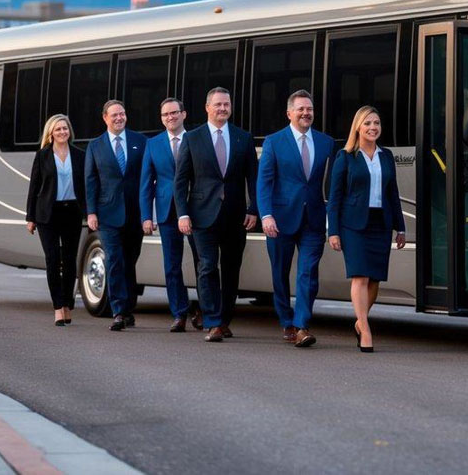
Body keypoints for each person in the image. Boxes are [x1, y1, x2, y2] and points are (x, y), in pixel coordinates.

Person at [174, 87, 258, 342]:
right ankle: (212, 321)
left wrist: (254, 209)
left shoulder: (243, 137)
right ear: (207, 108)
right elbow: (181, 180)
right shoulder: (192, 138)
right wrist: (182, 214)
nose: (223, 108)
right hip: (201, 215)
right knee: (207, 266)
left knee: (232, 270)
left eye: (227, 104)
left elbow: (253, 178)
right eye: (218, 104)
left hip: (235, 216)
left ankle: (225, 319)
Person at [257, 90, 336, 348]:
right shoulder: (274, 141)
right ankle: (286, 320)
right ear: (289, 113)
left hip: (313, 219)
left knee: (308, 272)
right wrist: (266, 215)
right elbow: (264, 182)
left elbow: (331, 185)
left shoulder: (326, 143)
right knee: (280, 274)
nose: (306, 113)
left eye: (309, 109)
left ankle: (302, 325)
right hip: (279, 219)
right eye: (300, 109)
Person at [327, 106, 406, 352]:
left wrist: (400, 227)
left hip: (380, 224)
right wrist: (333, 231)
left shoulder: (386, 156)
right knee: (360, 276)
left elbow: (393, 193)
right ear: (358, 127)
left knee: (374, 279)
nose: (373, 128)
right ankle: (365, 328)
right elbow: (335, 196)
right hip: (353, 225)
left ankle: (360, 321)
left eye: (377, 123)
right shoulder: (346, 156)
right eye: (368, 123)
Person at [140, 97, 202, 332]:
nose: (170, 117)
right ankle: (179, 313)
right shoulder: (153, 144)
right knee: (172, 265)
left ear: (184, 114)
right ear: (162, 118)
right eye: (166, 114)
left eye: (174, 113)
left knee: (202, 263)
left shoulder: (197, 139)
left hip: (196, 208)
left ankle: (205, 310)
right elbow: (146, 183)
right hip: (167, 211)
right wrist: (147, 216)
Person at [85, 100, 146, 331]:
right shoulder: (95, 146)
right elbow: (90, 181)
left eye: (122, 113)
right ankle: (118, 310)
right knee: (114, 259)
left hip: (135, 213)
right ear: (105, 118)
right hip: (108, 213)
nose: (119, 118)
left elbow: (147, 176)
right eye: (114, 115)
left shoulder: (141, 141)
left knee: (130, 261)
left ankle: (129, 308)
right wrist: (91, 212)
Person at [25, 114, 86, 326]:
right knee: (52, 259)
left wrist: (90, 212)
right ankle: (58, 308)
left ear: (69, 131)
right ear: (51, 133)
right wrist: (30, 217)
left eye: (65, 129)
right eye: (58, 129)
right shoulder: (42, 156)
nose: (62, 132)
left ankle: (68, 303)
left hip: (71, 212)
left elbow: (85, 186)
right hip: (47, 214)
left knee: (69, 261)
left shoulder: (79, 155)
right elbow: (34, 188)